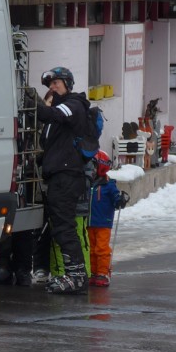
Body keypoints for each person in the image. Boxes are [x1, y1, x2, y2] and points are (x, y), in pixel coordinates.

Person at [36, 66, 91, 294]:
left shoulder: (74, 104)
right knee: (60, 227)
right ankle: (74, 274)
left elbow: (53, 114)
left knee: (65, 227)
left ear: (67, 83)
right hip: (58, 176)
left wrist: (33, 104)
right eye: (50, 85)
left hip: (68, 176)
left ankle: (77, 277)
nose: (52, 87)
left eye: (56, 83)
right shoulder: (57, 113)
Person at [87, 150, 128, 287]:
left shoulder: (109, 185)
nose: (91, 169)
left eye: (94, 166)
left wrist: (120, 200)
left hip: (103, 222)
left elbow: (115, 198)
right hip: (89, 222)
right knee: (91, 249)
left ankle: (103, 273)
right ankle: (93, 272)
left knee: (101, 249)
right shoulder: (88, 183)